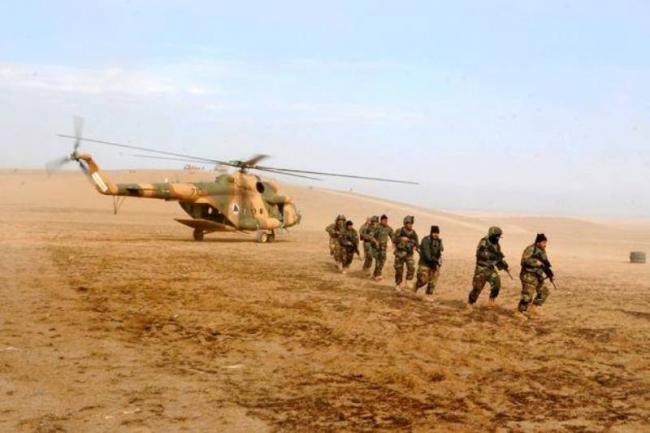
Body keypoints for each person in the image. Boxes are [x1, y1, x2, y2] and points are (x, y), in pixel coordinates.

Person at [468, 226, 509, 305]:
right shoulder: (483, 242)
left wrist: (503, 264)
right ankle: (470, 303)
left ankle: (491, 301)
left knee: (496, 285)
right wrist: (494, 257)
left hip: (490, 269)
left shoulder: (496, 245)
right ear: (492, 235)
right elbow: (481, 254)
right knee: (477, 289)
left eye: (499, 236)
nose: (498, 238)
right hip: (481, 269)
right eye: (497, 236)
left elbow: (498, 256)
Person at [518, 233, 554, 313]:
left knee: (544, 292)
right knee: (527, 295)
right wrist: (536, 262)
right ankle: (521, 312)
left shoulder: (542, 251)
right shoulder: (530, 249)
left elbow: (544, 264)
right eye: (543, 243)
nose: (545, 245)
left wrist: (549, 273)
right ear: (538, 242)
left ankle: (532, 309)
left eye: (546, 243)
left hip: (538, 275)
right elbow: (524, 261)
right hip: (528, 275)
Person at [414, 225, 443, 300]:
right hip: (425, 264)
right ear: (431, 232)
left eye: (437, 233)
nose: (436, 234)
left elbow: (440, 252)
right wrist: (435, 260)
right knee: (423, 280)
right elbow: (427, 255)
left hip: (434, 264)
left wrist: (439, 262)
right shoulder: (426, 240)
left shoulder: (439, 241)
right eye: (434, 233)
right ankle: (414, 288)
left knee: (433, 280)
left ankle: (428, 295)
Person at [393, 216, 419, 291]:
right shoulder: (399, 230)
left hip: (409, 254)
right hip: (400, 253)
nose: (410, 225)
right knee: (399, 270)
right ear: (405, 223)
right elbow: (394, 239)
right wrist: (401, 239)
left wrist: (415, 246)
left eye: (411, 224)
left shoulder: (413, 232)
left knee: (411, 267)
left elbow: (416, 242)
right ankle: (398, 284)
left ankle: (408, 281)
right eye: (409, 223)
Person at [370, 215, 394, 281]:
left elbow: (392, 236)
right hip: (376, 247)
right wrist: (375, 241)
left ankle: (375, 274)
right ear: (381, 220)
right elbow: (371, 236)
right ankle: (378, 275)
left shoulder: (388, 228)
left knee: (383, 260)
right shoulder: (376, 227)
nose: (386, 222)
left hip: (383, 248)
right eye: (384, 220)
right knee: (378, 261)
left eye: (386, 220)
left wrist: (393, 243)